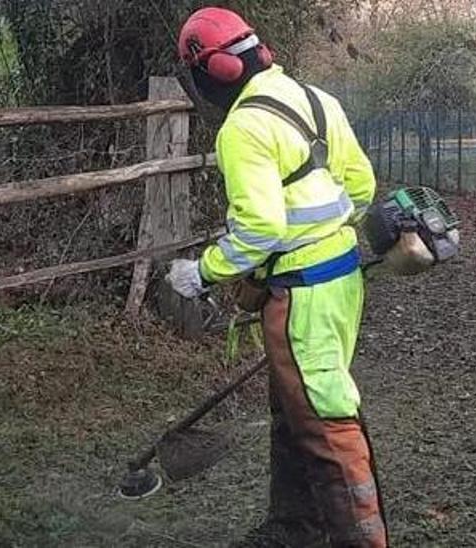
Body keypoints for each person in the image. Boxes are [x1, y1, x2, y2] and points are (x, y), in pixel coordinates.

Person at [165, 7, 387, 548]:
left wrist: (204, 272)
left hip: (302, 292)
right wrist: (325, 234)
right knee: (297, 406)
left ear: (214, 71)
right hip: (342, 282)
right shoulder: (316, 99)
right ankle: (294, 530)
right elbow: (360, 186)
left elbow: (260, 228)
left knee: (325, 421)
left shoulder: (242, 127)